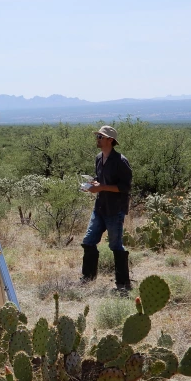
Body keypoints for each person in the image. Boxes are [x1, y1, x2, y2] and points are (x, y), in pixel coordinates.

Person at [80, 125, 133, 292]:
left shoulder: (120, 161)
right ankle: (88, 279)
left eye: (101, 137)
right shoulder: (98, 158)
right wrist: (93, 184)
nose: (98, 139)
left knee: (116, 246)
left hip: (114, 209)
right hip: (100, 207)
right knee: (88, 242)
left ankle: (123, 283)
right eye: (98, 136)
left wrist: (101, 187)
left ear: (110, 140)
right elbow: (101, 179)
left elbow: (125, 187)